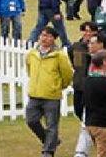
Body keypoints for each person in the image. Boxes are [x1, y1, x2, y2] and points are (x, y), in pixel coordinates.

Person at [24, 26, 74, 157]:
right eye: (42, 35)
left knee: (52, 124)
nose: (44, 38)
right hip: (35, 94)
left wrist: (58, 86)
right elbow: (30, 70)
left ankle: (48, 151)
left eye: (47, 36)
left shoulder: (59, 56)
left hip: (51, 95)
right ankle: (50, 141)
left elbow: (67, 74)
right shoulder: (32, 54)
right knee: (31, 120)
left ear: (53, 39)